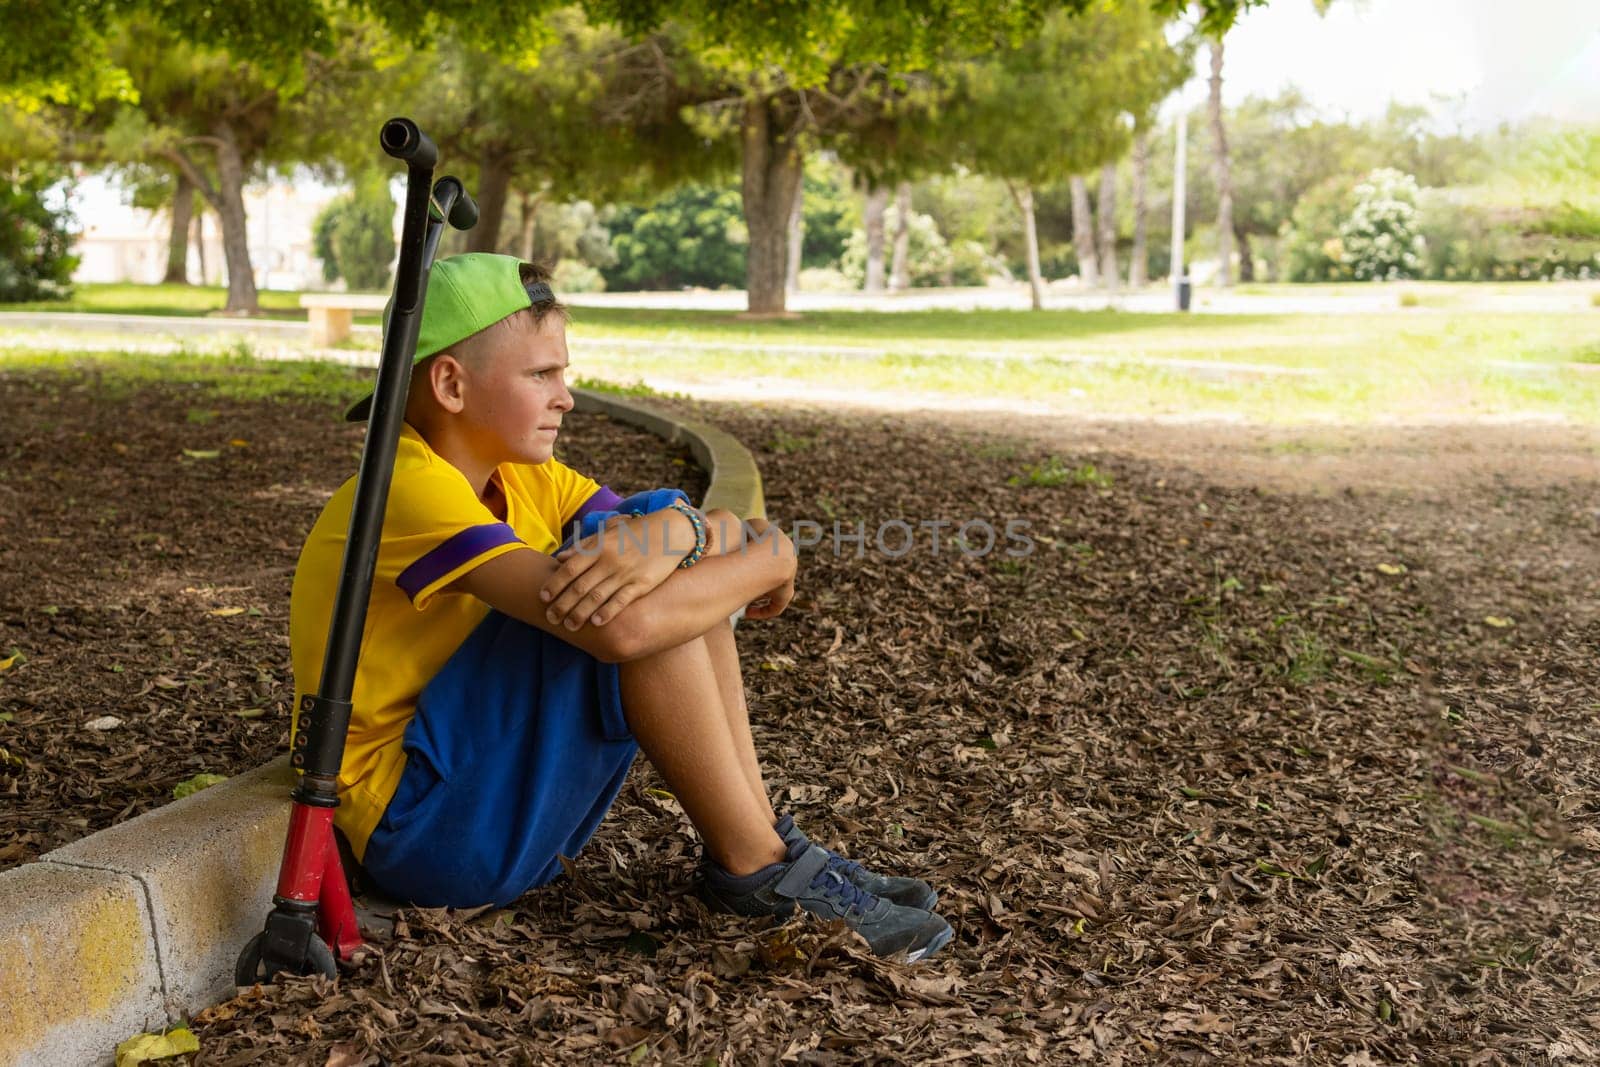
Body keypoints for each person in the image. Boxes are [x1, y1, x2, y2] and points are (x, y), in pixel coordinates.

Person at [288, 253, 952, 962]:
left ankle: (763, 842)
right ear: (450, 383)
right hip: (423, 834)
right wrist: (772, 555)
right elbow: (625, 625)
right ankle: (756, 865)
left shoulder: (520, 477)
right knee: (629, 579)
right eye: (541, 374)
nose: (566, 396)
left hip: (478, 800)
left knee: (642, 534)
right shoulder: (404, 486)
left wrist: (685, 530)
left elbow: (678, 530)